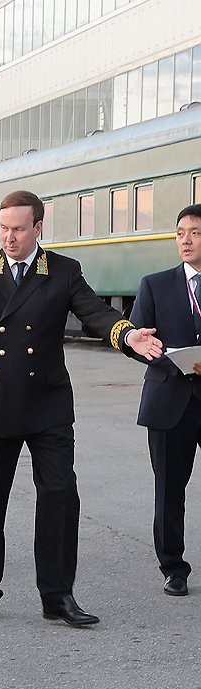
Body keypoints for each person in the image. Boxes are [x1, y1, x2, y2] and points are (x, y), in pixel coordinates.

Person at [0, 189, 162, 626]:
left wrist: (127, 335)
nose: (10, 237)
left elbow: (94, 313)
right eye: (3, 228)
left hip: (46, 405)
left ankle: (57, 595)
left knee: (59, 497)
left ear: (39, 227)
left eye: (19, 229)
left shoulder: (62, 270)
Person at [127, 204, 201, 597]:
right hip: (170, 399)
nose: (185, 240)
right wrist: (150, 348)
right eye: (180, 232)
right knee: (170, 489)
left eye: (195, 232)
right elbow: (137, 340)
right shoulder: (154, 285)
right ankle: (173, 567)